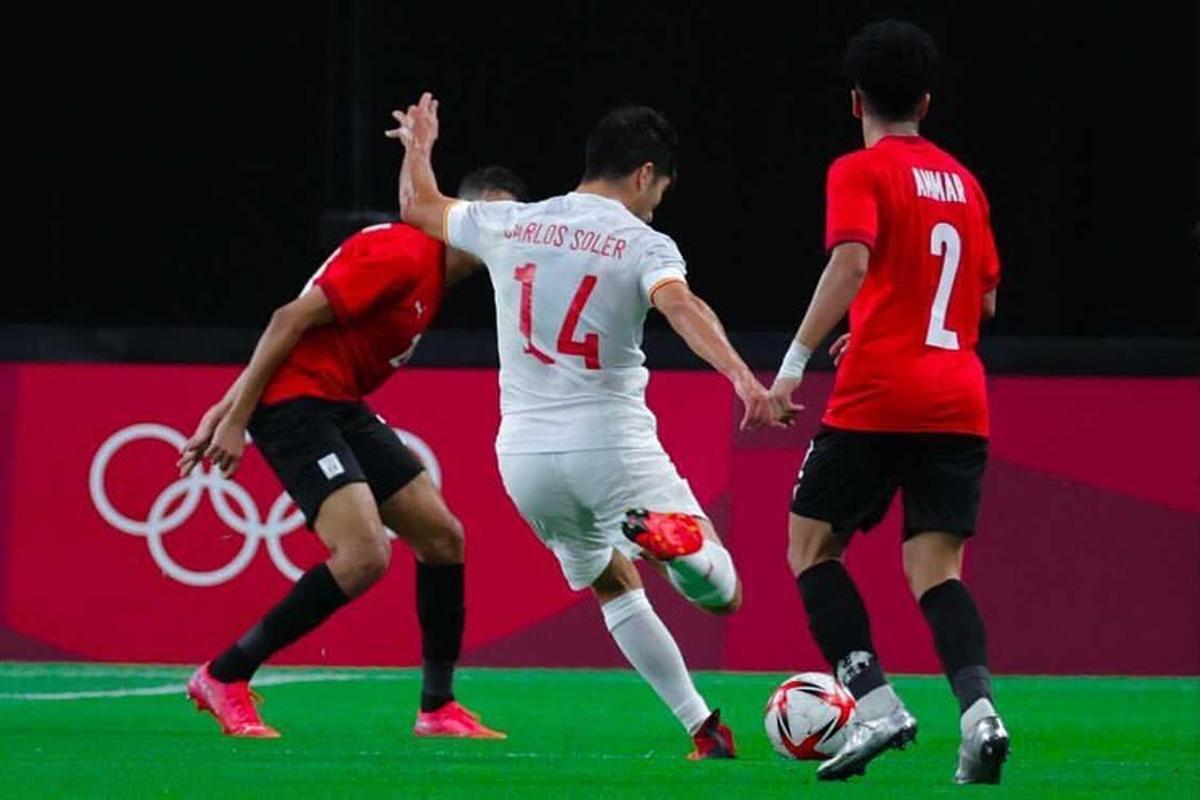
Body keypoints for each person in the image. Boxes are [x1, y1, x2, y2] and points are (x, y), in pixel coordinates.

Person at [389, 93, 779, 759]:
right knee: (725, 594)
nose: (657, 204)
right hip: (611, 444)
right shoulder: (643, 241)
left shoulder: (513, 222)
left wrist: (419, 144)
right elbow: (680, 304)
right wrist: (743, 376)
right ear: (642, 174)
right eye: (659, 189)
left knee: (611, 581)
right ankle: (681, 550)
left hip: (525, 458)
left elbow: (418, 208)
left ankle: (701, 728)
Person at [179, 165, 527, 740]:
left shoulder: (432, 273)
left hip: (338, 404)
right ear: (465, 215)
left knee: (442, 537)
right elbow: (288, 318)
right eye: (496, 216)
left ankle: (437, 708)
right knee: (364, 555)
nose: (507, 233)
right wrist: (236, 418)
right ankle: (224, 675)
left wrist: (223, 406)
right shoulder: (405, 253)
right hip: (297, 407)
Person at [766, 20, 1010, 784]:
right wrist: (886, 320)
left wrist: (794, 362)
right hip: (958, 396)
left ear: (855, 100)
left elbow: (851, 259)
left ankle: (875, 705)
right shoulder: (966, 183)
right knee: (937, 571)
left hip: (878, 395)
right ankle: (980, 715)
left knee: (811, 548)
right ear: (927, 102)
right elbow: (987, 298)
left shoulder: (859, 170)